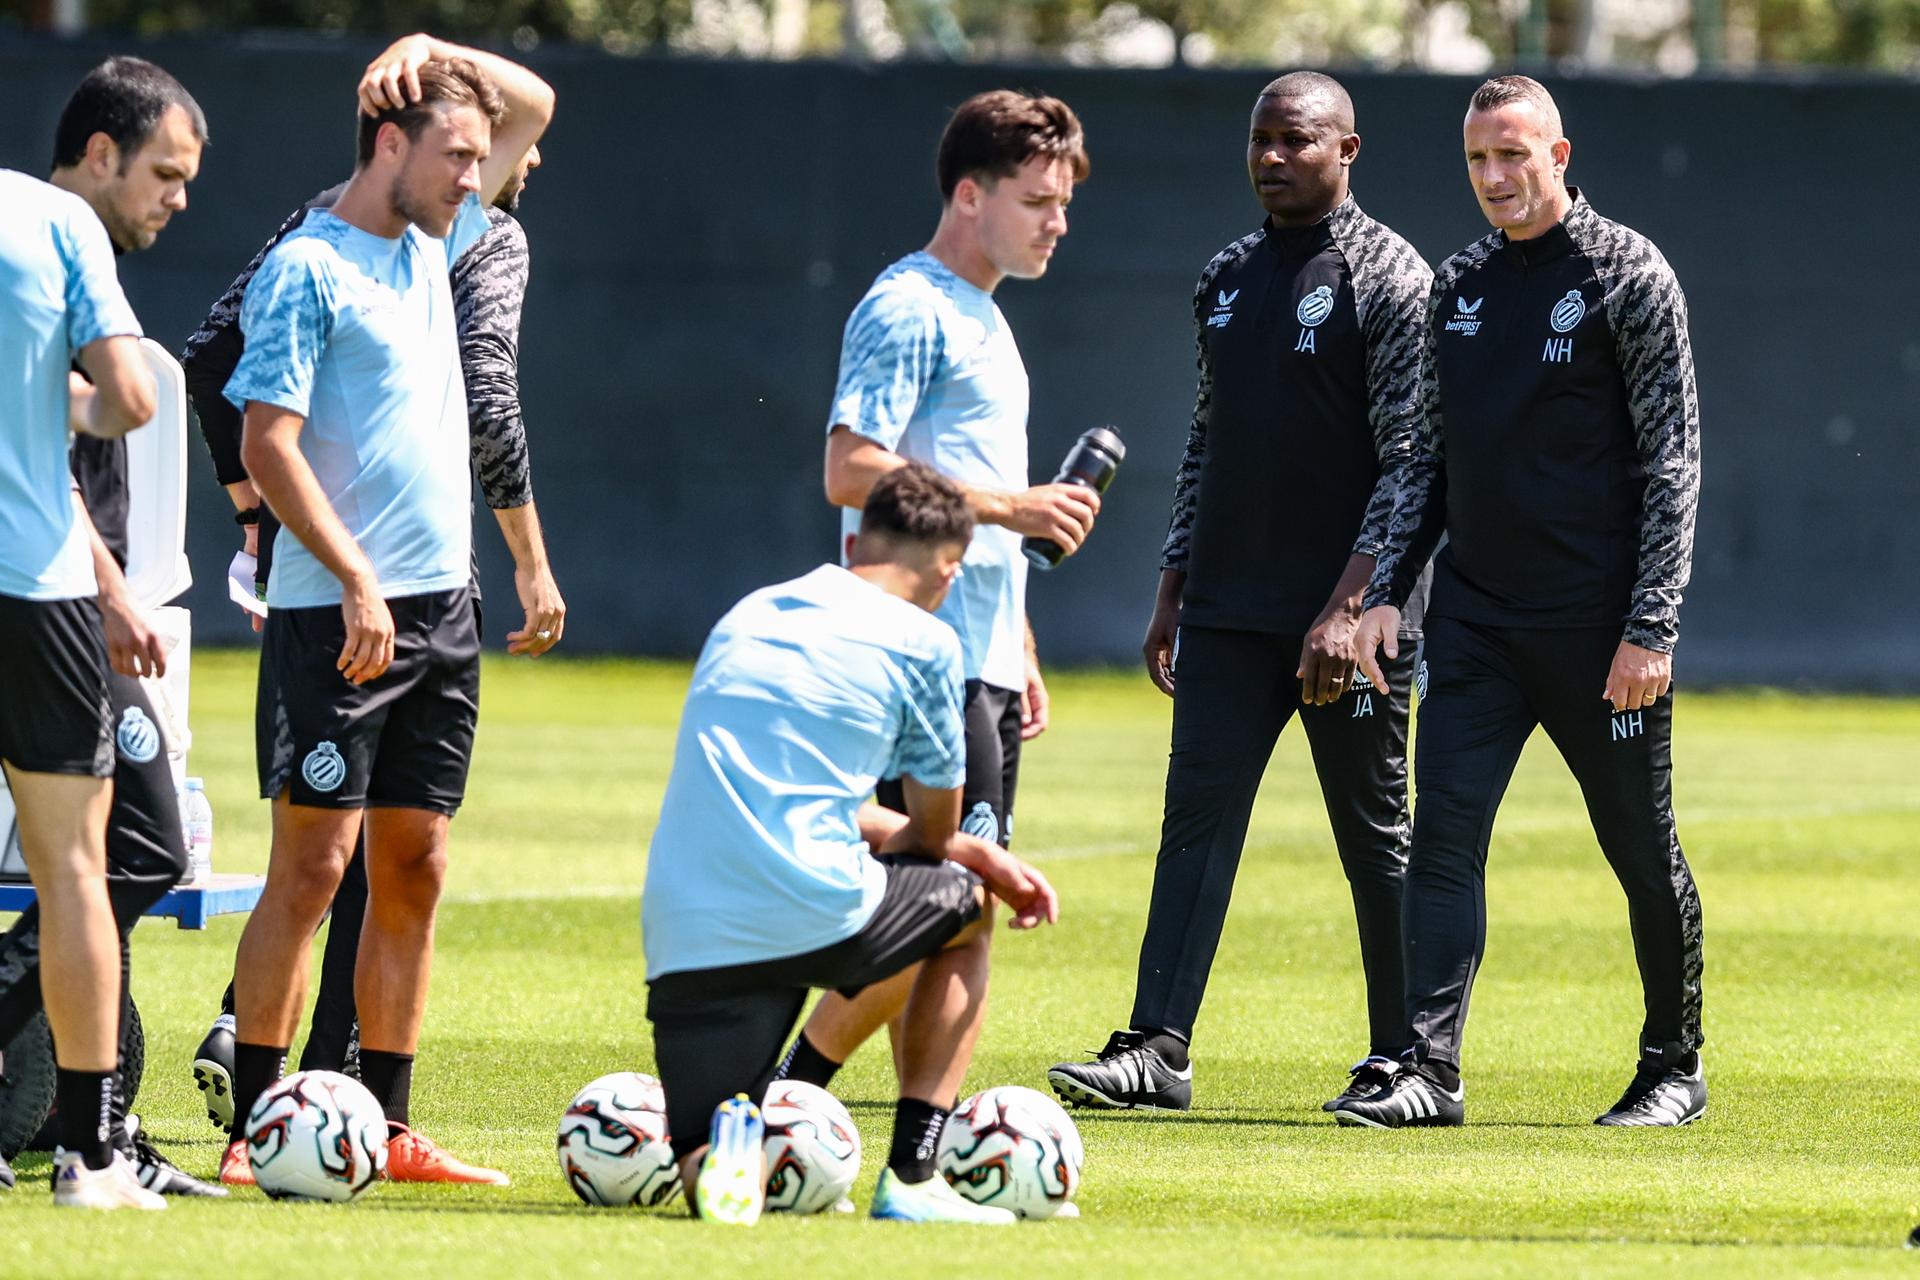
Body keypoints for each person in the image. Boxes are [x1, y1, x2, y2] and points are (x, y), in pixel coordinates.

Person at [1046, 72, 1435, 1115]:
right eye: (1259, 139)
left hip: (1343, 627)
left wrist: (1351, 609)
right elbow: (1208, 440)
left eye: (1295, 140)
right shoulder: (1224, 274)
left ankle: (1408, 1057)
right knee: (1194, 825)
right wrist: (1172, 588)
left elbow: (1412, 462)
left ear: (1347, 150)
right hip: (1225, 607)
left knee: (1374, 836)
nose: (1271, 156)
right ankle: (1155, 1047)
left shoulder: (1391, 276)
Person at [213, 35, 553, 1187]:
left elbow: (536, 101)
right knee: (310, 875)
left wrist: (428, 46)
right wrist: (356, 575)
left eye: (481, 158)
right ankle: (256, 1126)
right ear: (389, 145)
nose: (480, 178)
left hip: (442, 616)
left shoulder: (440, 234)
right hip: (334, 615)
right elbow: (268, 441)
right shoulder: (306, 266)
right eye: (457, 155)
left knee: (417, 866)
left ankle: (386, 1119)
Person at [1338, 75, 1705, 1128]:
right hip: (1479, 628)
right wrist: (1381, 592)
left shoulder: (1628, 273)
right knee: (1443, 842)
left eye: (1514, 155)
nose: (1495, 178)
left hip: (1600, 635)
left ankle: (1672, 1066)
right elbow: (1424, 463)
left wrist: (1651, 626)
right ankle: (1428, 1070)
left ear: (1560, 152)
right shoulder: (1455, 287)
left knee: (1643, 847)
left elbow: (1674, 462)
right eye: (1477, 161)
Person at [774, 87, 1094, 1093]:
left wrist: (1021, 642)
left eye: (1064, 202)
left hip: (979, 658)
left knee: (954, 909)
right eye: (1038, 198)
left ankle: (914, 1152)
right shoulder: (908, 306)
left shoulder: (988, 318)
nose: (1058, 220)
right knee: (936, 900)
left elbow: (960, 478)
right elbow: (850, 467)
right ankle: (790, 1093)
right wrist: (1013, 508)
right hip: (912, 658)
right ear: (970, 193)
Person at [642, 463, 1059, 1226]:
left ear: (861, 539)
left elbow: (759, 786)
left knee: (705, 1162)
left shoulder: (748, 614)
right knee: (963, 911)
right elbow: (933, 837)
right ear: (948, 568)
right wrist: (983, 858)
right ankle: (912, 1176)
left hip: (684, 932)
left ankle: (721, 1151)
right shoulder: (926, 640)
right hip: (813, 910)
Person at [0, 96, 171, 1208]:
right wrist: (58, 405)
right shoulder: (51, 220)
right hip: (31, 578)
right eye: (168, 170)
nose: (178, 196)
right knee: (76, 867)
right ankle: (91, 1156)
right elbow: (134, 396)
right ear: (99, 154)